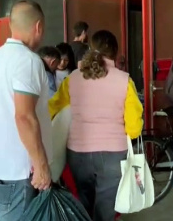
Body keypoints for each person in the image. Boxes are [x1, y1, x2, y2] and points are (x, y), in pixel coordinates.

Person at [0, 0, 52, 221]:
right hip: (16, 174)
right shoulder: (28, 61)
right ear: (38, 26)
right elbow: (24, 117)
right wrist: (40, 166)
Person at [59, 30, 143, 221]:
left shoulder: (73, 78)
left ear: (91, 50)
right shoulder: (124, 80)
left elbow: (53, 108)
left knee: (82, 202)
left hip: (78, 152)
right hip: (112, 154)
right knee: (106, 208)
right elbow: (134, 127)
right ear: (115, 52)